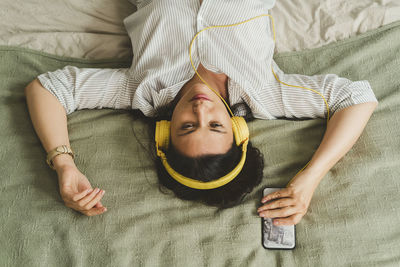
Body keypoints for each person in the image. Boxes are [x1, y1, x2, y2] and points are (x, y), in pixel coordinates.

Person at [24, 0, 378, 226]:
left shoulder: (139, 90)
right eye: (216, 126)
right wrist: (309, 178)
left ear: (164, 132)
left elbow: (47, 89)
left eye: (189, 126)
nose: (200, 108)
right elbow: (356, 97)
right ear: (239, 129)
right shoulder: (267, 94)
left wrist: (64, 165)